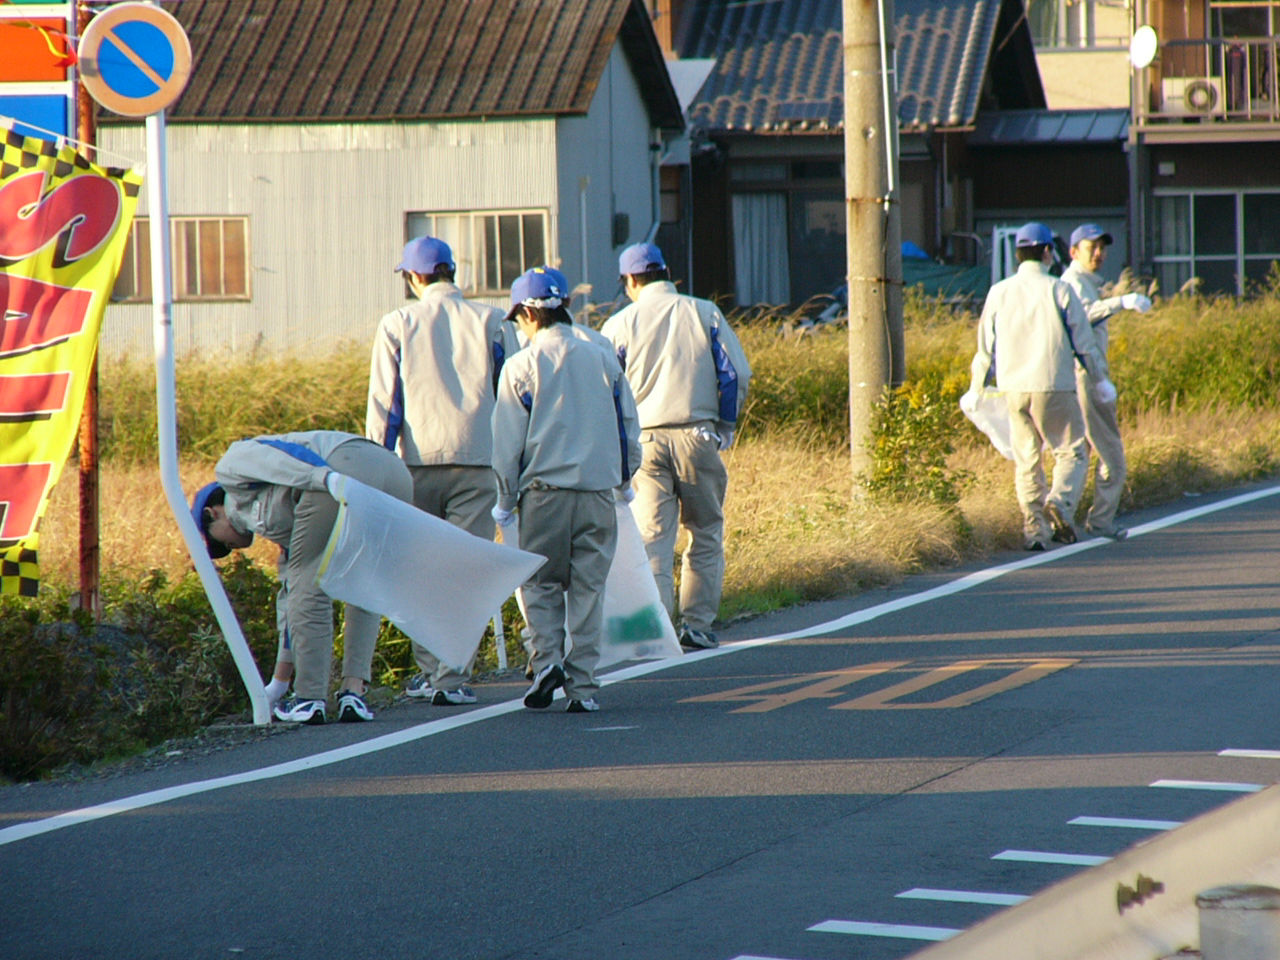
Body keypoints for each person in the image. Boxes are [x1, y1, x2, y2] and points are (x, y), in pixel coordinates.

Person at [366, 236, 517, 706]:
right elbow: (509, 394)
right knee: (461, 568)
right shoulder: (492, 320)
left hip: (415, 463)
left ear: (413, 278)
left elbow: (385, 405)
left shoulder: (398, 323)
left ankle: (429, 673)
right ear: (453, 273)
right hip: (478, 460)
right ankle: (451, 677)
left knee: (421, 568)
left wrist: (380, 464)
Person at [491, 267, 642, 713]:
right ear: (565, 310)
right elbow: (627, 427)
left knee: (538, 583)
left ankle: (546, 663)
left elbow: (507, 445)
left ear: (528, 316)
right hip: (597, 494)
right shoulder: (602, 358)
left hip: (542, 494)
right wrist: (625, 479)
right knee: (588, 590)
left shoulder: (520, 366)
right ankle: (583, 687)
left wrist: (504, 500)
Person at [191, 430, 413, 724]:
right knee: (363, 582)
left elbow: (281, 458)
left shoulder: (230, 469)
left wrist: (325, 479)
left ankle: (309, 698)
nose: (230, 549)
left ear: (213, 512)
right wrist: (278, 685)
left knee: (309, 586)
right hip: (395, 474)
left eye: (221, 544)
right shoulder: (284, 527)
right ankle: (353, 692)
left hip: (343, 466)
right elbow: (288, 605)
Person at [601, 242, 752, 650]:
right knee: (704, 530)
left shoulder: (619, 323)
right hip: (697, 433)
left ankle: (655, 631)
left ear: (631, 280)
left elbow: (607, 390)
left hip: (642, 441)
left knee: (652, 537)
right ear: (667, 273)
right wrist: (726, 423)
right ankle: (697, 624)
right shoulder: (704, 312)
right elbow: (734, 373)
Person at [969, 222, 1114, 551]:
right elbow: (1085, 344)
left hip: (1013, 389)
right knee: (1073, 452)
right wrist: (1100, 380)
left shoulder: (999, 291)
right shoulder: (1059, 290)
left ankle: (1035, 531)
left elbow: (984, 349)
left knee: (1027, 461)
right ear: (1048, 252)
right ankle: (1059, 505)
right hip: (1054, 387)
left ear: (1019, 254)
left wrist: (976, 389)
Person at [1061, 223, 1152, 540]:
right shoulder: (1072, 282)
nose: (1099, 254)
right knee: (1111, 453)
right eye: (1091, 247)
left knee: (1079, 451)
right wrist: (1122, 302)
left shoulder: (1083, 281)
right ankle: (1099, 521)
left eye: (1102, 247)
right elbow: (1083, 315)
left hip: (1079, 375)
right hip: (1086, 375)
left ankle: (1060, 513)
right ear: (1074, 252)